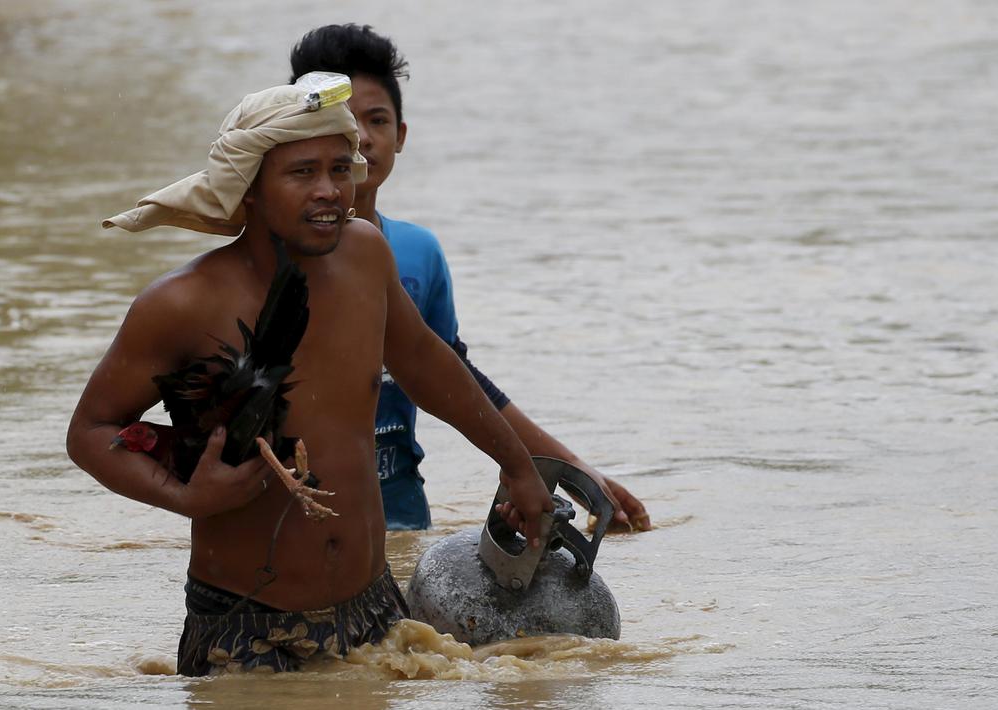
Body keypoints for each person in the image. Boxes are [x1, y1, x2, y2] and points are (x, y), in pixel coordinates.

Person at [66, 73, 553, 675]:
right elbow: (90, 433)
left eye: (339, 169)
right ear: (249, 188)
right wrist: (185, 496)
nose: (329, 191)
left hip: (376, 611)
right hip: (247, 627)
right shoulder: (180, 304)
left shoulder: (366, 254)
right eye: (302, 173)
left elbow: (426, 363)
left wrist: (517, 465)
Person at [289, 25, 651, 532]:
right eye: (346, 122)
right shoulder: (264, 263)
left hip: (399, 525)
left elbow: (455, 382)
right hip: (293, 536)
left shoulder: (417, 254)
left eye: (377, 120)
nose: (364, 138)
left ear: (401, 135)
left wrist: (571, 474)